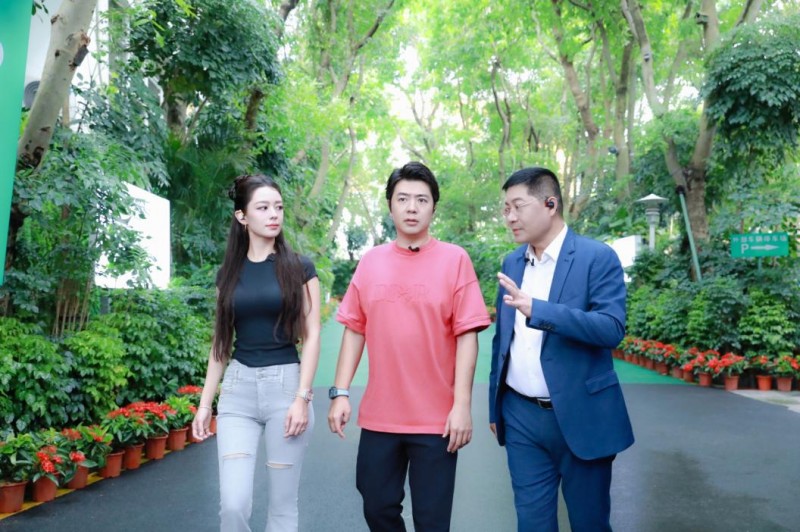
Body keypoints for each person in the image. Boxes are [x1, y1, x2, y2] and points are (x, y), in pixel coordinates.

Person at [327, 161, 491, 532]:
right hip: (380, 416)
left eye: (421, 199)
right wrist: (340, 392)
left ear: (433, 207)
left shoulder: (455, 260)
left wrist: (461, 406)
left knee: (432, 520)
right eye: (402, 199)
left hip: (436, 420)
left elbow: (467, 336)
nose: (412, 207)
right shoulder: (371, 262)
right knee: (376, 505)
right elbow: (354, 329)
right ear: (390, 206)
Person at [489, 167, 634, 532]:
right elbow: (502, 339)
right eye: (506, 208)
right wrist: (495, 405)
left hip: (582, 415)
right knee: (531, 523)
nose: (510, 217)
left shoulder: (596, 257)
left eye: (518, 206)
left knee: (589, 523)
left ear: (550, 204)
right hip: (520, 416)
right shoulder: (512, 262)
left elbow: (611, 328)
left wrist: (538, 310)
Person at [192, 174, 321, 532]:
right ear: (242, 216)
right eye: (263, 207)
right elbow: (220, 344)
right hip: (239, 393)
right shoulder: (227, 274)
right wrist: (205, 405)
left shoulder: (300, 268)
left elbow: (312, 335)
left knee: (282, 507)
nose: (273, 214)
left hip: (286, 389)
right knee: (233, 505)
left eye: (278, 207)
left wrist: (302, 398)